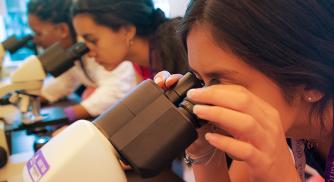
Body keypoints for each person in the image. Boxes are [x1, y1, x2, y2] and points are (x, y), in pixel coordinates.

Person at [154, 0, 334, 181]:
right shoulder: (280, 120)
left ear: (311, 82)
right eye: (200, 81)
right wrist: (203, 151)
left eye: (221, 82)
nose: (205, 100)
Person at [27, 0, 137, 122]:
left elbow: (116, 88)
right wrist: (31, 95)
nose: (35, 41)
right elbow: (64, 81)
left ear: (62, 30)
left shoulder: (95, 46)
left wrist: (66, 115)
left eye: (38, 33)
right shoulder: (72, 49)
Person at [71, 0, 188, 81]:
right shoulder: (140, 63)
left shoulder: (182, 50)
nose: (89, 53)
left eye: (92, 40)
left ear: (127, 31)